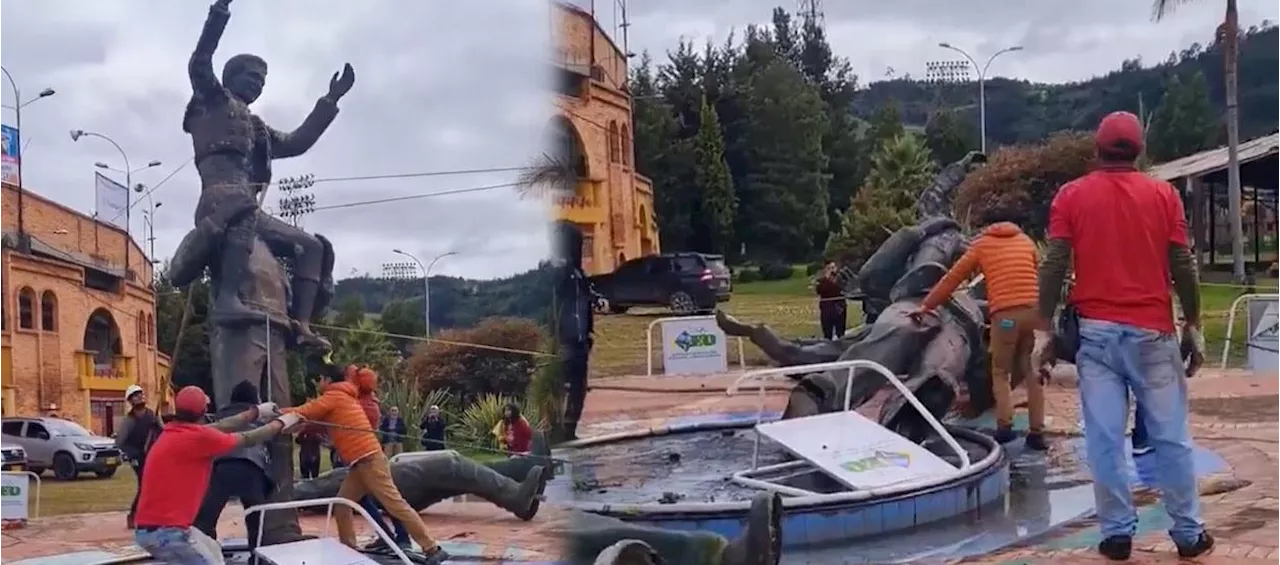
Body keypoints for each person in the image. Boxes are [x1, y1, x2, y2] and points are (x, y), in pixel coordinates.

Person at [1035, 111, 1212, 560]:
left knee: (1104, 438)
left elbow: (1055, 263)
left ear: (1097, 151)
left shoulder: (1071, 196)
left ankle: (1116, 534)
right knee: (1170, 437)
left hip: (1095, 337)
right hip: (1153, 334)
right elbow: (1183, 264)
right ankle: (1188, 534)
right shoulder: (1163, 195)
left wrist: (1042, 329)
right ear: (1140, 151)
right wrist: (1193, 323)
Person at [910, 213, 1047, 451]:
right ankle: (1037, 433)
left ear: (987, 227)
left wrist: (926, 305)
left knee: (1000, 370)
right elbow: (1036, 272)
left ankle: (1005, 428)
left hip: (1005, 319)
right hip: (1031, 313)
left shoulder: (982, 244)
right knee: (1029, 369)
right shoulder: (1025, 241)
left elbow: (953, 278)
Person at [284, 366, 449, 563]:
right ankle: (348, 549)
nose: (317, 383)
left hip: (368, 461)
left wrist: (271, 413)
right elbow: (312, 419)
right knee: (342, 505)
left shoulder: (334, 396)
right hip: (360, 464)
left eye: (319, 379)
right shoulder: (345, 395)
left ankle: (431, 548)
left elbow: (304, 412)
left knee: (396, 506)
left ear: (327, 379)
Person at [133, 385, 297, 565]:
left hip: (154, 529)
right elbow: (248, 438)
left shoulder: (173, 431)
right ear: (204, 410)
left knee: (213, 549)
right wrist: (282, 423)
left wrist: (256, 412)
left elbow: (220, 426)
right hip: (168, 533)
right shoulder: (199, 438)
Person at [193, 380, 277, 554]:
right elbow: (268, 444)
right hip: (252, 468)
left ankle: (208, 555)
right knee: (257, 522)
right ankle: (258, 559)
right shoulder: (261, 417)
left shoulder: (221, 415)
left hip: (222, 467)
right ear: (255, 400)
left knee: (205, 521)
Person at [553, 220, 594, 441]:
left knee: (578, 387)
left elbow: (584, 305)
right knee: (560, 387)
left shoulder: (579, 275)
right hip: (562, 341)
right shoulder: (556, 273)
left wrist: (589, 333)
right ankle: (557, 430)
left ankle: (569, 430)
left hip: (579, 340)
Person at [116, 384, 163, 530]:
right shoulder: (129, 420)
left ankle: (153, 515)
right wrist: (132, 455)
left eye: (141, 394)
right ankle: (134, 515)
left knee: (156, 487)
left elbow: (164, 432)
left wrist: (157, 427)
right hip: (137, 457)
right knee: (144, 487)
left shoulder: (153, 415)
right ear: (130, 401)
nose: (139, 397)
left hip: (152, 455)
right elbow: (120, 442)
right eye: (135, 395)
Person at [814, 261, 848, 340]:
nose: (832, 270)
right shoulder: (822, 281)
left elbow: (843, 288)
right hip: (827, 309)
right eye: (829, 268)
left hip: (839, 308)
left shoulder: (841, 278)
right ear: (825, 270)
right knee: (827, 332)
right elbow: (819, 291)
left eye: (833, 268)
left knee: (840, 332)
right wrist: (826, 278)